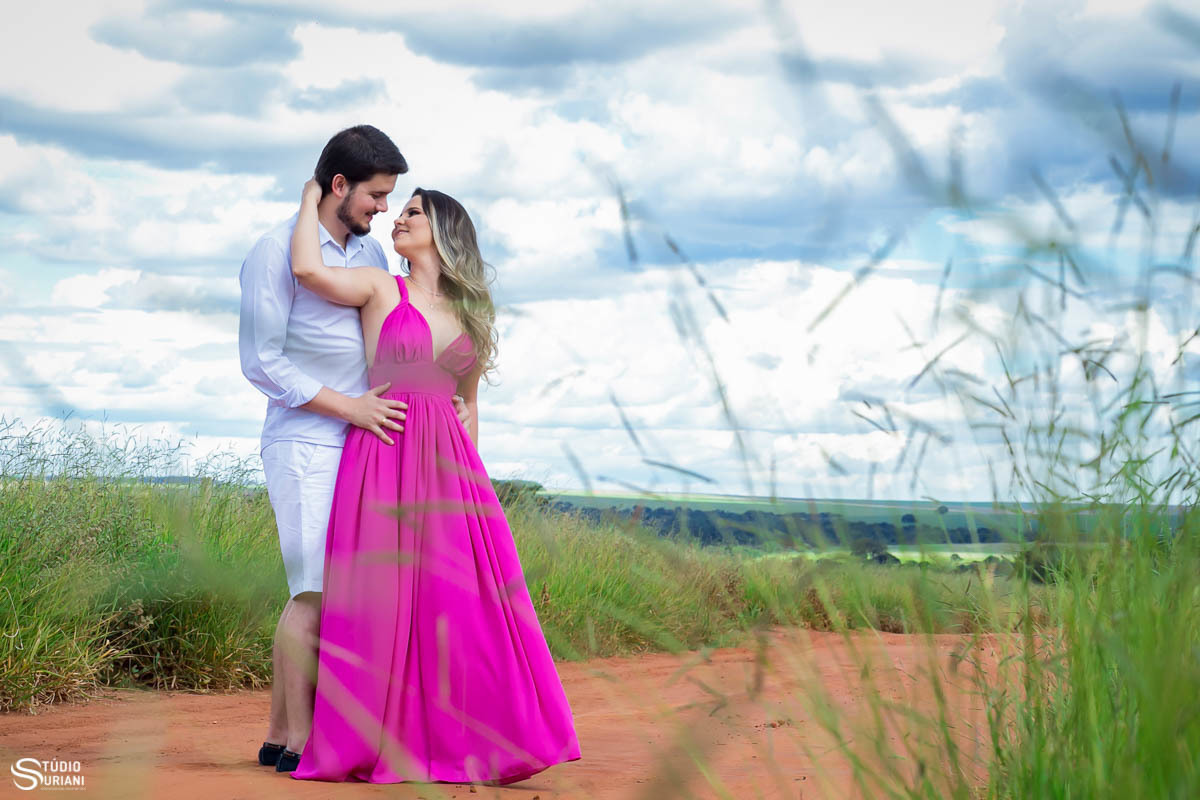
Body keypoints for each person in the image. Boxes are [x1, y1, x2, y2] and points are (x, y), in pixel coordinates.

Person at [287, 178, 581, 784]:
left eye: (413, 213)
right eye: (399, 210)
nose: (398, 218)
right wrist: (310, 198)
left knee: (463, 608)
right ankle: (370, 743)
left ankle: (477, 740)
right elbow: (309, 273)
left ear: (443, 231)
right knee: (378, 606)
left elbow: (468, 406)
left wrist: (470, 494)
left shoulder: (473, 314)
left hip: (451, 473)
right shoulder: (379, 287)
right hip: (384, 456)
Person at [238, 125, 470, 773]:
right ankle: (298, 738)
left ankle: (284, 736)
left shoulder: (370, 260)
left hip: (367, 450)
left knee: (343, 595)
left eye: (393, 198)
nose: (383, 210)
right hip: (307, 440)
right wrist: (351, 408)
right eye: (375, 196)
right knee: (313, 592)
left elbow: (408, 324)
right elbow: (261, 362)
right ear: (337, 186)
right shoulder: (272, 251)